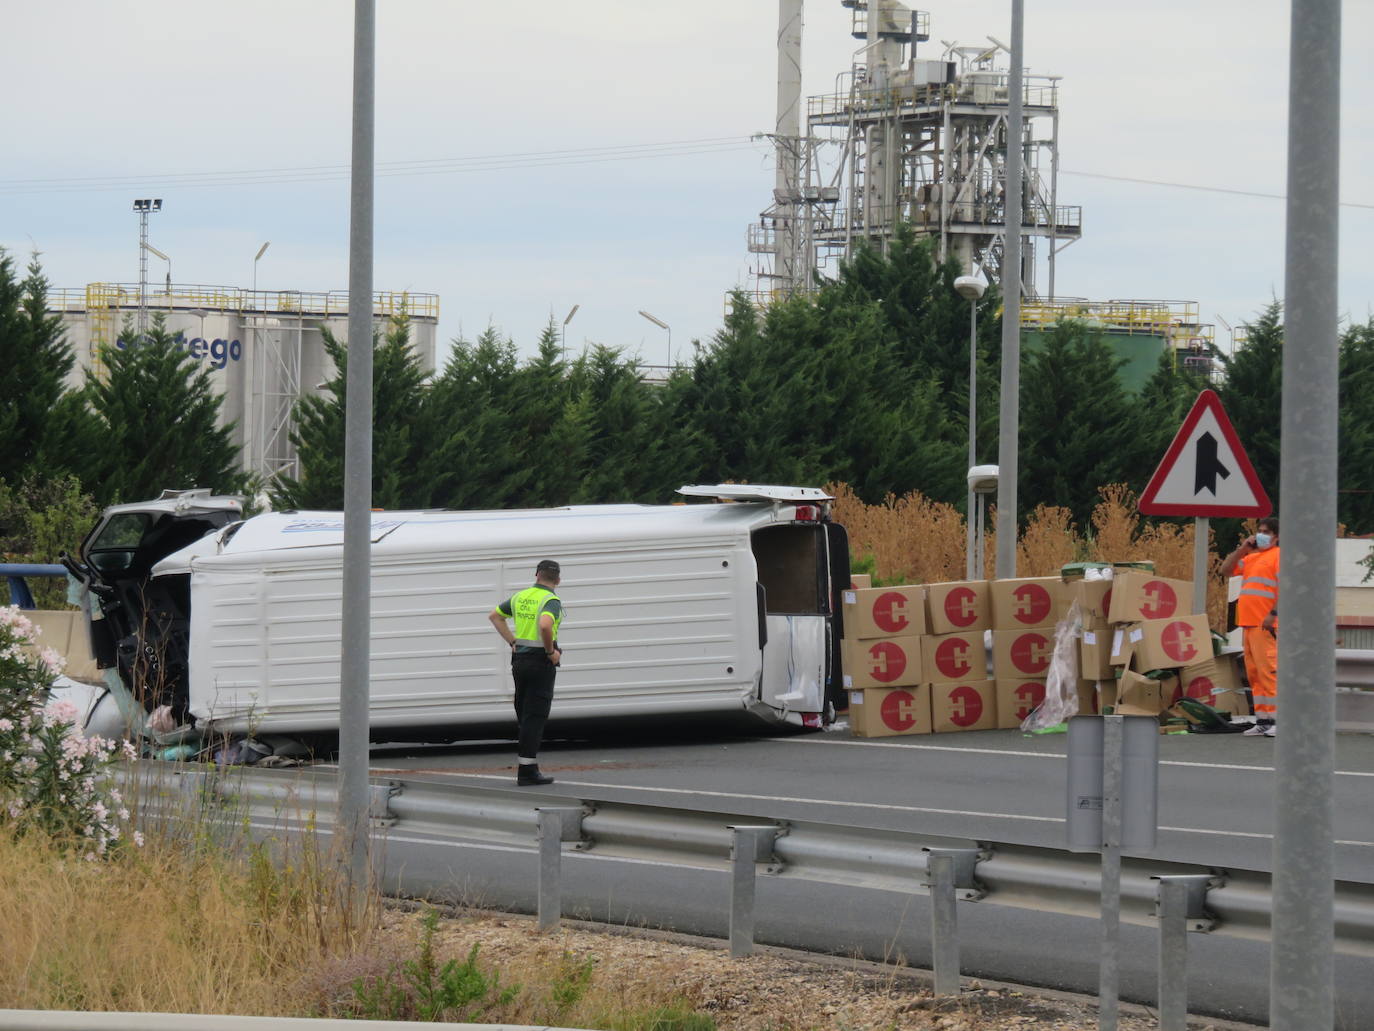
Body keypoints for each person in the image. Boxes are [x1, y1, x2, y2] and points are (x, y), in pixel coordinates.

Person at [488, 560, 564, 785]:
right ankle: (527, 772)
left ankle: (528, 766)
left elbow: (495, 616)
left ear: (536, 575)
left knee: (524, 712)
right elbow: (544, 625)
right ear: (557, 580)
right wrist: (551, 652)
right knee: (535, 715)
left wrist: (512, 641)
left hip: (519, 660)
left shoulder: (520, 597)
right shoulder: (551, 600)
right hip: (540, 661)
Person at [1219, 517, 1279, 736]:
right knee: (1255, 674)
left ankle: (1278, 720)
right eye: (1260, 531)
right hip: (1248, 623)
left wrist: (1273, 615)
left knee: (1269, 672)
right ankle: (1263, 720)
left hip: (1266, 624)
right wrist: (1243, 548)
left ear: (1276, 536)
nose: (1262, 534)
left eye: (1266, 531)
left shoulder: (1279, 556)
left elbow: (1286, 588)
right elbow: (1226, 570)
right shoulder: (1252, 557)